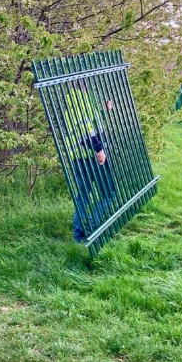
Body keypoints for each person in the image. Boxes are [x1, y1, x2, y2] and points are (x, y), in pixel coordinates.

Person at [62, 81, 118, 243]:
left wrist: (103, 110)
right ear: (84, 85)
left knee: (83, 196)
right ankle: (93, 227)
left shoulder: (71, 104)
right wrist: (99, 149)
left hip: (78, 158)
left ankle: (78, 236)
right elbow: (86, 130)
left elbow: (89, 121)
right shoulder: (81, 102)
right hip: (91, 156)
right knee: (109, 192)